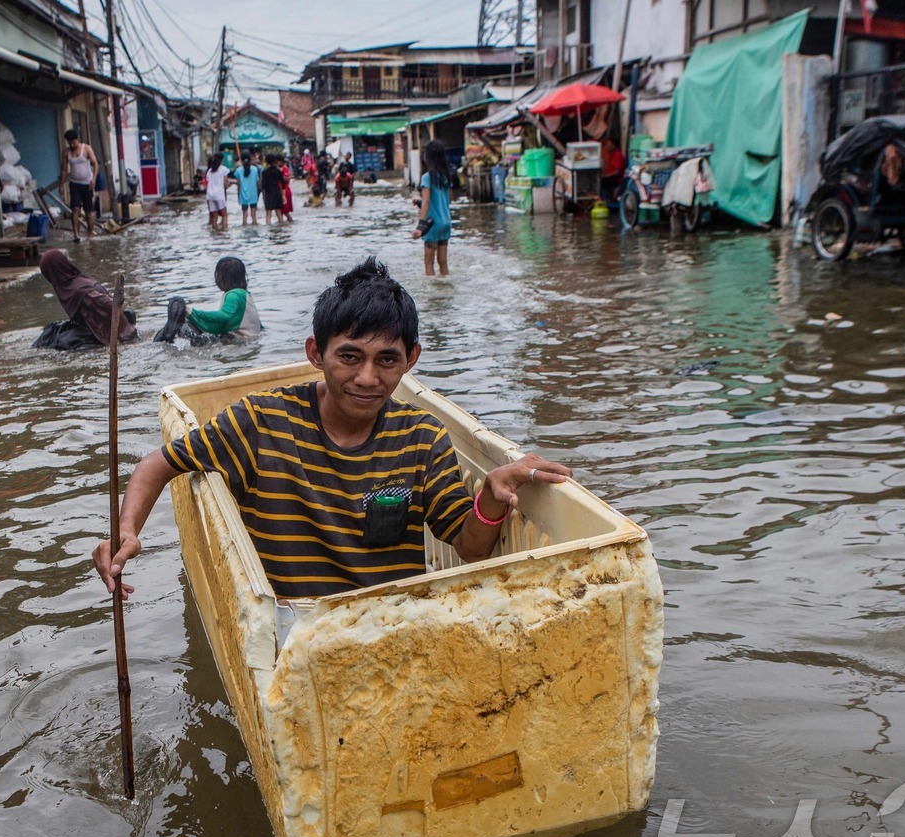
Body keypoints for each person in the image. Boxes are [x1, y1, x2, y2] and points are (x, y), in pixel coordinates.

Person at [93, 256, 571, 601]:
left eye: (387, 359)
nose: (367, 378)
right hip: (290, 636)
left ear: (411, 361)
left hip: (388, 626)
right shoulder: (261, 421)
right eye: (349, 356)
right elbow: (158, 464)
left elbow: (468, 547)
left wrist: (491, 492)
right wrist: (127, 532)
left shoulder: (422, 437)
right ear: (315, 354)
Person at [33, 249, 137, 350]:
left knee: (63, 341)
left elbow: (109, 305)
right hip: (96, 325)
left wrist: (124, 333)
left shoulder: (78, 290)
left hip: (108, 330)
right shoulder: (73, 283)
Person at [153, 255, 261, 344]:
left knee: (190, 331)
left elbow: (225, 316)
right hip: (251, 340)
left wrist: (191, 312)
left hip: (240, 342)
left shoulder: (233, 295)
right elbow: (257, 324)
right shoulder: (245, 295)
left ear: (220, 278)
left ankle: (165, 341)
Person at [413, 138, 454, 276]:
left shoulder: (427, 177)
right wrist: (421, 203)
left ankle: (433, 297)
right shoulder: (446, 176)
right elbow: (447, 200)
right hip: (446, 222)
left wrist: (420, 227)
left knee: (428, 263)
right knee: (443, 262)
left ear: (428, 157)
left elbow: (427, 202)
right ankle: (446, 293)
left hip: (432, 225)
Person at [60, 128, 99, 242]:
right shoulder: (66, 152)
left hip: (87, 183)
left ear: (76, 140)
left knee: (89, 210)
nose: (72, 145)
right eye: (69, 143)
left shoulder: (86, 148)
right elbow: (63, 169)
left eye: (73, 142)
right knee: (75, 208)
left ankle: (90, 234)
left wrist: (94, 179)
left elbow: (95, 164)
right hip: (74, 184)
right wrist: (61, 185)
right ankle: (76, 235)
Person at [204, 153, 231, 230]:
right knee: (224, 215)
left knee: (214, 215)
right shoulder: (224, 169)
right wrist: (228, 185)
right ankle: (224, 231)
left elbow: (208, 182)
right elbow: (225, 183)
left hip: (210, 195)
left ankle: (215, 231)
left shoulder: (210, 171)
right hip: (219, 195)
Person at [235, 150, 260, 226]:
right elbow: (257, 183)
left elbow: (238, 185)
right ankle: (254, 224)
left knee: (244, 215)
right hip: (253, 195)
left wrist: (238, 196)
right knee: (254, 215)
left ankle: (245, 225)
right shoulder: (255, 169)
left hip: (243, 195)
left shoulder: (238, 171)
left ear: (241, 160)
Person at [261, 153, 285, 225]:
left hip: (269, 193)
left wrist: (263, 195)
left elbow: (263, 185)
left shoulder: (264, 172)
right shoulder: (278, 171)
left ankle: (268, 227)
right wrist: (283, 195)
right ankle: (281, 226)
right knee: (279, 212)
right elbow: (283, 184)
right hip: (277, 192)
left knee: (268, 213)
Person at [600, 135, 626, 203]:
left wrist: (605, 176)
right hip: (611, 179)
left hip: (616, 180)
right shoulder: (611, 155)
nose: (606, 147)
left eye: (608, 145)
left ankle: (605, 200)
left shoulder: (617, 155)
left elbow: (616, 172)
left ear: (613, 145)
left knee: (600, 183)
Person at [280, 157, 295, 222]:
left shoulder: (285, 168)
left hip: (285, 191)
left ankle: (288, 221)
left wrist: (279, 174)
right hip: (281, 191)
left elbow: (287, 179)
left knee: (285, 211)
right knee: (281, 211)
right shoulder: (280, 169)